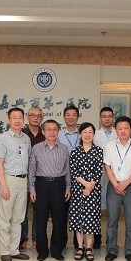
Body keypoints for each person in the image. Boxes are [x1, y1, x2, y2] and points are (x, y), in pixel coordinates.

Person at [103, 116, 131, 261]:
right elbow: (107, 167)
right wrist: (116, 184)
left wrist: (124, 184)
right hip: (114, 187)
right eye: (120, 128)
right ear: (116, 130)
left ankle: (129, 251)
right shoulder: (110, 146)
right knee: (112, 220)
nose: (123, 131)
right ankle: (111, 250)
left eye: (126, 128)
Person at [29, 119, 71, 261]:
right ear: (43, 131)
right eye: (48, 129)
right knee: (40, 219)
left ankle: (56, 250)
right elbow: (32, 170)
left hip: (59, 185)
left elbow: (68, 170)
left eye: (54, 129)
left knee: (59, 219)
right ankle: (42, 251)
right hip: (41, 185)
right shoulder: (36, 148)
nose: (51, 132)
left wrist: (68, 187)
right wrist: (32, 189)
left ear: (58, 131)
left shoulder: (64, 149)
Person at [0, 107, 32, 261]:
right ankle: (5, 251)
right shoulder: (2, 138)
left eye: (20, 118)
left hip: (23, 181)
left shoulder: (26, 139)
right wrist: (3, 185)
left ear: (23, 119)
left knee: (18, 218)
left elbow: (28, 161)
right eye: (14, 117)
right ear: (9, 119)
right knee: (5, 217)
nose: (17, 120)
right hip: (8, 180)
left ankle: (14, 250)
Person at [69, 122, 104, 261]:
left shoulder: (99, 151)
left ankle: (89, 247)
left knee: (91, 219)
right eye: (84, 132)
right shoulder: (75, 151)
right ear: (80, 135)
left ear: (94, 135)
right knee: (78, 220)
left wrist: (90, 187)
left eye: (90, 132)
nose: (87, 135)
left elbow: (99, 171)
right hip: (78, 190)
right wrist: (85, 185)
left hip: (93, 191)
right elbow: (73, 171)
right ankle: (80, 247)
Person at [20, 106, 45, 250]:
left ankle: (36, 238)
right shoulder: (22, 134)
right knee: (21, 210)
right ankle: (23, 238)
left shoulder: (45, 134)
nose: (35, 118)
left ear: (42, 117)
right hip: (23, 177)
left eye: (38, 115)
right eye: (32, 115)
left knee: (39, 210)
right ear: (27, 116)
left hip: (40, 177)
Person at [92, 106, 115, 250]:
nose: (107, 119)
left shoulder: (118, 133)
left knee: (112, 210)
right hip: (97, 175)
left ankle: (110, 239)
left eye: (109, 116)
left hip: (114, 176)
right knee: (95, 209)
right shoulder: (94, 134)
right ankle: (96, 237)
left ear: (113, 118)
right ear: (100, 119)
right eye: (104, 116)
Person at [59, 105, 81, 248]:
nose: (71, 117)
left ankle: (78, 243)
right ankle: (62, 241)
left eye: (74, 115)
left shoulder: (83, 133)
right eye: (68, 114)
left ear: (78, 117)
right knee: (62, 211)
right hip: (63, 177)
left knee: (80, 211)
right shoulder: (59, 134)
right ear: (64, 117)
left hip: (81, 179)